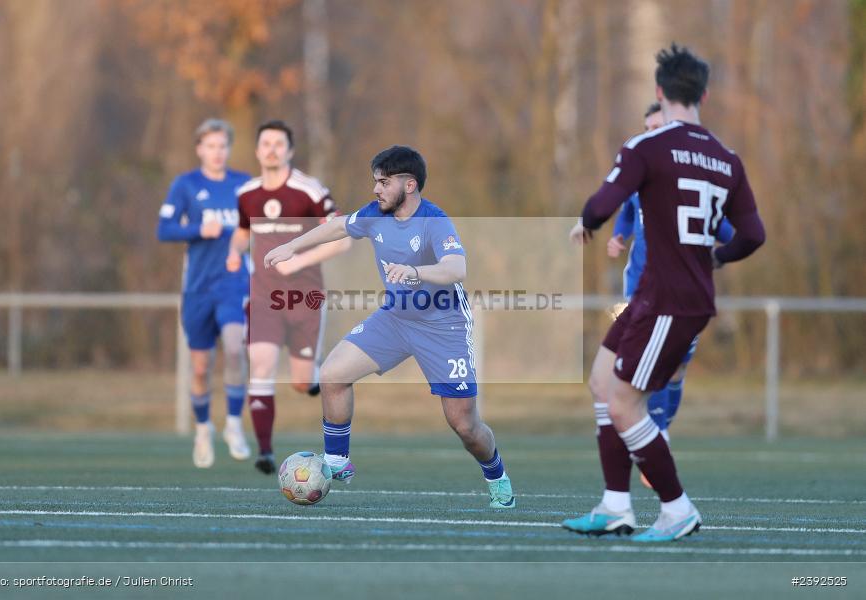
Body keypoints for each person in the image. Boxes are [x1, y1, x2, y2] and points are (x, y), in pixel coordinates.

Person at [564, 43, 765, 541]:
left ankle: (677, 510)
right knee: (601, 381)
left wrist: (588, 223)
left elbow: (601, 203)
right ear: (704, 94)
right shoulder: (726, 158)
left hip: (672, 302)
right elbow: (754, 235)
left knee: (625, 405)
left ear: (659, 91)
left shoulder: (647, 146)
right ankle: (615, 506)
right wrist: (716, 257)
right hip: (661, 295)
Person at [262, 145, 516, 509]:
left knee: (464, 425)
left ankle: (497, 477)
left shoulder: (434, 220)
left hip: (443, 326)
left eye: (383, 182)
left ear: (409, 185)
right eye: (375, 182)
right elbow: (337, 226)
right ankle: (337, 461)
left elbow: (456, 269)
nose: (376, 190)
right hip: (396, 318)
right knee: (333, 374)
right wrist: (293, 246)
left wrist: (415, 272)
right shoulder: (375, 214)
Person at [606, 102, 735, 488]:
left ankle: (658, 429)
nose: (651, 133)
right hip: (641, 288)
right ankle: (652, 438)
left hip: (684, 289)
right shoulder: (640, 167)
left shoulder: (694, 174)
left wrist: (726, 249)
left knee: (675, 369)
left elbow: (725, 227)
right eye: (647, 126)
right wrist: (619, 233)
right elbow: (627, 207)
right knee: (630, 372)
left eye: (658, 126)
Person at [226, 120, 350, 475]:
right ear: (257, 150)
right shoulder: (247, 194)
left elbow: (343, 239)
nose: (271, 149)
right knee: (261, 364)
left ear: (290, 151)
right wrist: (234, 252)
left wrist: (299, 259)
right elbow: (241, 232)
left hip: (304, 299)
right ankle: (265, 452)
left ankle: (311, 376)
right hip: (264, 298)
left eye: (279, 144)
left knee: (300, 382)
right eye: (265, 143)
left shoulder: (309, 191)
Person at [157, 118, 252, 468]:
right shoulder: (185, 185)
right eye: (211, 146)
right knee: (200, 368)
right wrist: (199, 228)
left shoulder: (243, 184)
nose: (217, 152)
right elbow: (164, 229)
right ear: (199, 149)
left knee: (235, 347)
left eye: (223, 146)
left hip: (234, 284)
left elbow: (259, 226)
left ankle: (234, 425)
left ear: (229, 148)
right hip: (197, 288)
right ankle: (202, 429)